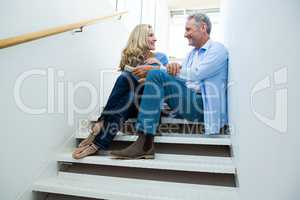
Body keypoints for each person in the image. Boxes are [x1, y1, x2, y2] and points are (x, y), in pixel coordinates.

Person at [110, 13, 229, 159]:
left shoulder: (217, 50)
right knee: (151, 78)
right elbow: (183, 81)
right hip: (187, 101)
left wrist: (161, 69)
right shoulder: (191, 55)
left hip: (202, 106)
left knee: (155, 74)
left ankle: (144, 143)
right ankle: (144, 143)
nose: (185, 34)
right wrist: (168, 74)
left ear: (203, 27)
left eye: (188, 29)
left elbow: (196, 74)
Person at [72, 24, 168, 159]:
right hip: (131, 102)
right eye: (151, 35)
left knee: (125, 77)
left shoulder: (161, 57)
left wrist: (155, 67)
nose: (155, 39)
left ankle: (101, 122)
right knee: (127, 97)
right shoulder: (130, 57)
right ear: (140, 38)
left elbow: (161, 84)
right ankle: (97, 145)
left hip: (149, 104)